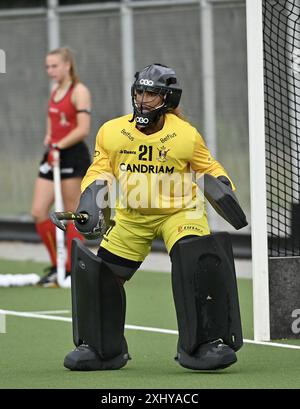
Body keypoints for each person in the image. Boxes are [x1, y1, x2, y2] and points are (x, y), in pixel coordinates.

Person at [62, 63, 245, 371]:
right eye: (140, 92)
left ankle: (203, 346)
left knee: (194, 263)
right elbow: (100, 169)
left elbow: (207, 167)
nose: (144, 100)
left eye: (152, 94)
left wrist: (223, 184)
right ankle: (103, 350)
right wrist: (91, 197)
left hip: (180, 212)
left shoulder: (185, 135)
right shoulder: (112, 131)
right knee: (102, 277)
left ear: (168, 100)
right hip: (133, 215)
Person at [31, 47, 91, 287]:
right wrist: (49, 139)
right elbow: (52, 122)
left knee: (70, 214)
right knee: (38, 211)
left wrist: (59, 146)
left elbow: (83, 128)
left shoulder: (80, 91)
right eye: (47, 67)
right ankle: (58, 266)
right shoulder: (55, 91)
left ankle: (74, 268)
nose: (50, 71)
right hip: (53, 154)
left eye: (54, 66)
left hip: (72, 155)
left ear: (67, 65)